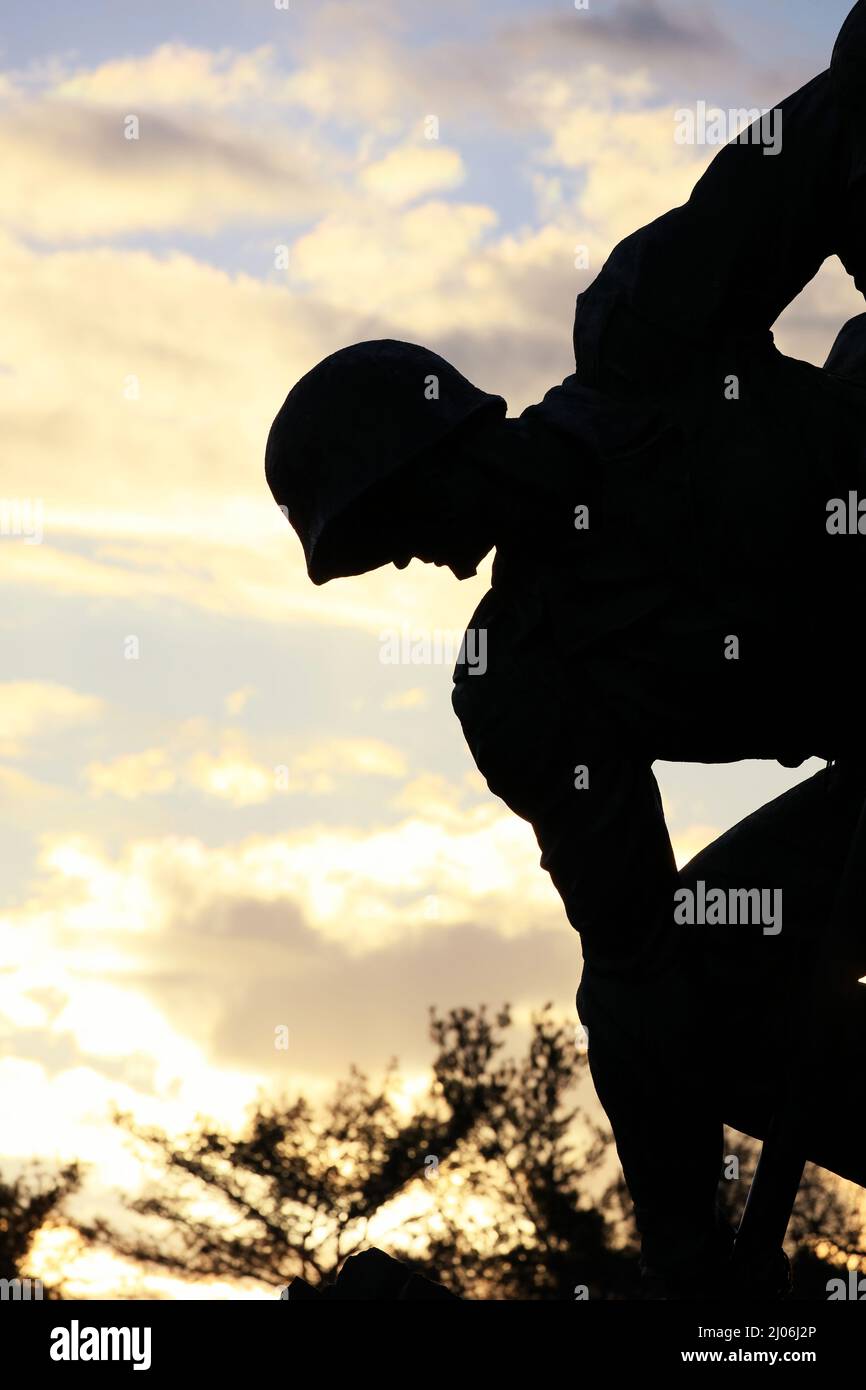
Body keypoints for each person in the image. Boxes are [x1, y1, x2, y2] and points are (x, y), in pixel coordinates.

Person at [265, 2, 866, 1298]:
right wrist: (691, 1262)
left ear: (448, 442)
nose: (410, 559)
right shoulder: (525, 687)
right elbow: (635, 974)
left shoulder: (648, 338)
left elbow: (835, 130)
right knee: (700, 988)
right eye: (377, 550)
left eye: (397, 522)